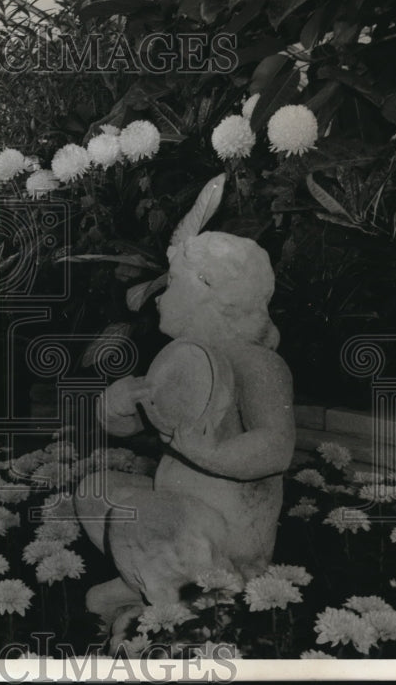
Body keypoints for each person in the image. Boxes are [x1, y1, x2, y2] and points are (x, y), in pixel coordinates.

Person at [75, 182, 295, 648]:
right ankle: (152, 583)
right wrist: (117, 411)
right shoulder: (180, 358)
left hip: (227, 535)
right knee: (97, 491)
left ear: (211, 290)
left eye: (172, 285)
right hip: (181, 516)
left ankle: (199, 603)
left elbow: (276, 447)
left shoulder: (258, 363)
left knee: (149, 514)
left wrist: (211, 452)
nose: (158, 297)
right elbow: (151, 423)